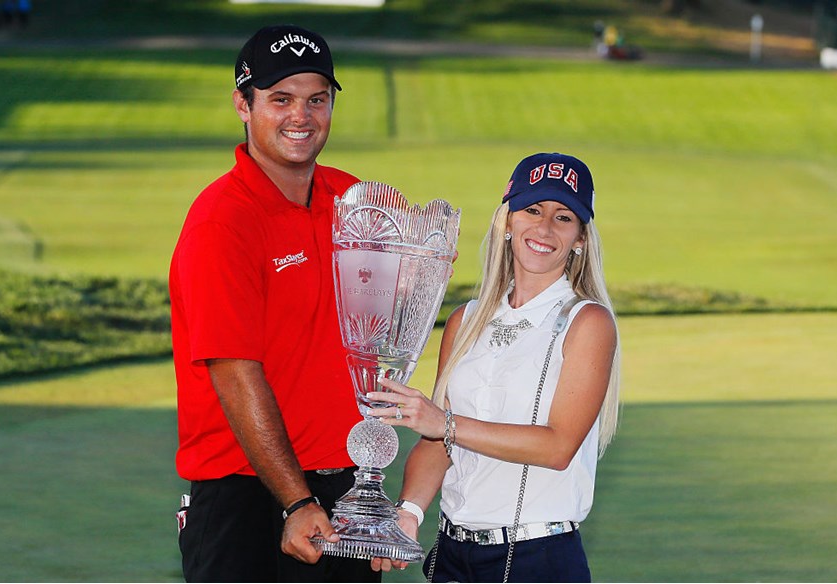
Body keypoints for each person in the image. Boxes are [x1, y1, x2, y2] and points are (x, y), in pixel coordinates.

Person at [169, 24, 379, 583]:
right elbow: (234, 372)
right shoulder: (222, 221)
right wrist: (296, 501)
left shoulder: (353, 198)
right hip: (248, 499)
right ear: (243, 103)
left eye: (317, 99)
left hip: (346, 486)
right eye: (280, 99)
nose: (301, 117)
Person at [367, 153, 621, 582]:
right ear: (507, 221)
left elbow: (557, 447)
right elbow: (438, 441)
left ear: (580, 237)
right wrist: (409, 511)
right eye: (533, 210)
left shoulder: (587, 322)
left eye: (564, 217)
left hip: (537, 558)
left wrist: (444, 422)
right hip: (452, 554)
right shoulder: (466, 321)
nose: (544, 228)